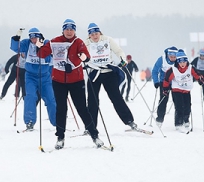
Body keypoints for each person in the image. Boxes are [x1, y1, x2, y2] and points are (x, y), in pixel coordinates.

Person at [37, 19, 104, 149]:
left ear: (74, 31)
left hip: (76, 80)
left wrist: (84, 57)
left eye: (71, 29)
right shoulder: (55, 41)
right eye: (67, 29)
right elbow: (41, 54)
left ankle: (94, 135)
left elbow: (86, 55)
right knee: (61, 109)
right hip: (58, 81)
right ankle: (60, 137)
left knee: (82, 109)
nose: (69, 31)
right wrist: (38, 46)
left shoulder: (78, 42)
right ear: (63, 30)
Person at [83, 23, 141, 132]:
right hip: (94, 73)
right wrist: (83, 63)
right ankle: (90, 126)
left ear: (100, 33)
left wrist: (123, 60)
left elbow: (118, 51)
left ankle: (129, 121)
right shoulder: (85, 43)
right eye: (92, 34)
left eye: (96, 33)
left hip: (109, 72)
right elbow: (80, 56)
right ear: (89, 35)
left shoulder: (107, 39)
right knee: (92, 101)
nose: (95, 36)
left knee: (116, 98)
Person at [10, 27, 56, 131]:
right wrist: (16, 39)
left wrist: (42, 49)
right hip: (30, 76)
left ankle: (56, 121)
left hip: (44, 76)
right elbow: (15, 48)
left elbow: (51, 56)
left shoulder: (46, 43)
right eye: (31, 37)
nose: (33, 40)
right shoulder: (27, 43)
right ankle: (29, 122)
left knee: (51, 99)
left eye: (35, 37)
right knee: (30, 97)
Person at [162, 50, 204, 133]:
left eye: (184, 61)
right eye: (180, 62)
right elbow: (167, 79)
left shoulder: (190, 68)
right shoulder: (173, 69)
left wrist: (200, 79)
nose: (182, 64)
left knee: (187, 106)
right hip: (176, 90)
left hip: (186, 90)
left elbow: (197, 74)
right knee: (179, 107)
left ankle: (185, 120)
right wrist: (165, 89)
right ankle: (178, 123)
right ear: (178, 62)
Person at [151, 46, 178, 127]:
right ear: (168, 55)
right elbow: (155, 71)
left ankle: (179, 122)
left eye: (174, 57)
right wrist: (156, 82)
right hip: (163, 82)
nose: (173, 58)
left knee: (177, 102)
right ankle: (160, 119)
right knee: (163, 100)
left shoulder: (179, 60)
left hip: (175, 83)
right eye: (171, 57)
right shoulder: (161, 59)